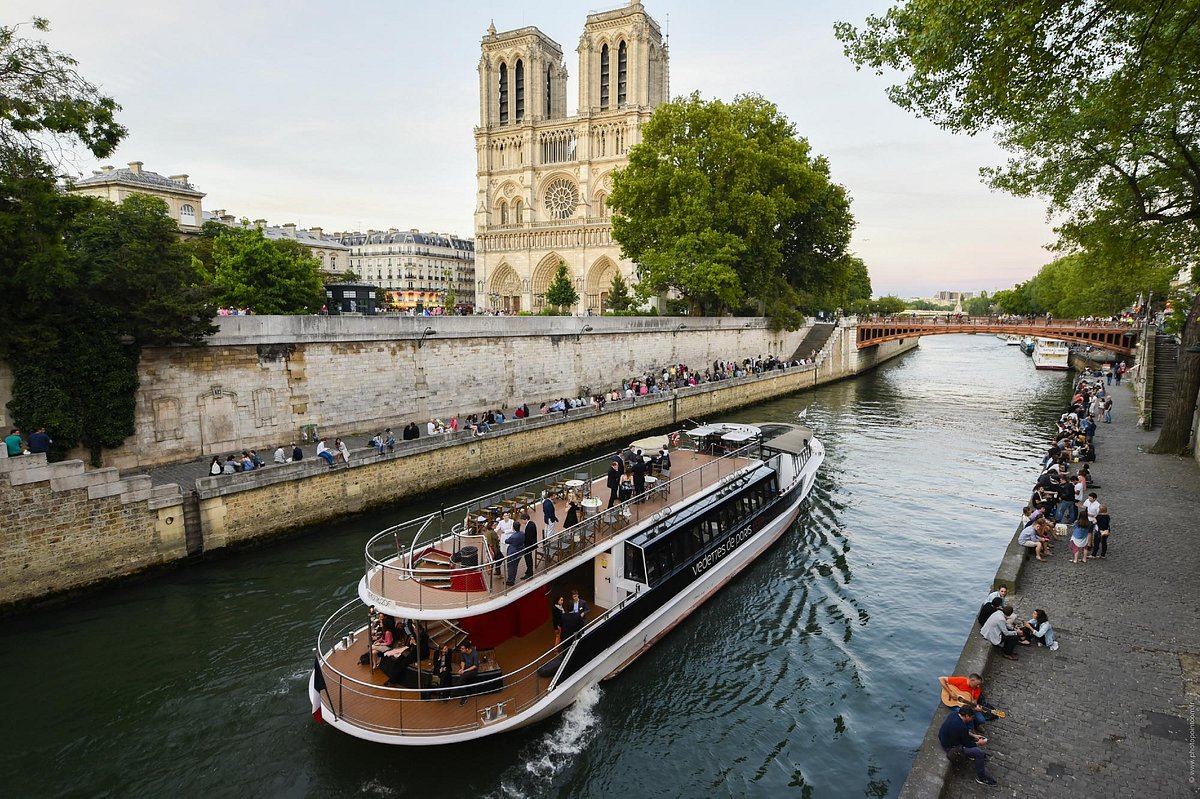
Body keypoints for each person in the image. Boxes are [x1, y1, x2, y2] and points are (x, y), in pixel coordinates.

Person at [938, 705, 998, 786]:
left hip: (945, 739)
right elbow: (968, 744)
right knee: (978, 753)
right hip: (951, 747)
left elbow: (963, 732)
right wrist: (979, 743)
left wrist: (974, 736)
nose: (972, 719)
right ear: (966, 716)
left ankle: (971, 756)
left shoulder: (954, 714)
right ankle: (982, 777)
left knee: (972, 741)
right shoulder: (961, 726)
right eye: (971, 717)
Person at [503, 518, 524, 586]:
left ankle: (510, 580)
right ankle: (512, 579)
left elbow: (507, 541)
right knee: (515, 567)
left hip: (512, 553)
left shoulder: (513, 537)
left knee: (511, 567)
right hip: (519, 552)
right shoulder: (522, 534)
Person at [520, 511, 537, 580]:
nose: (522, 522)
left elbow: (529, 537)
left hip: (529, 545)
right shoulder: (531, 523)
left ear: (525, 519)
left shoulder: (529, 526)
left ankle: (530, 572)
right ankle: (528, 570)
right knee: (528, 558)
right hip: (531, 544)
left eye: (522, 520)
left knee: (528, 558)